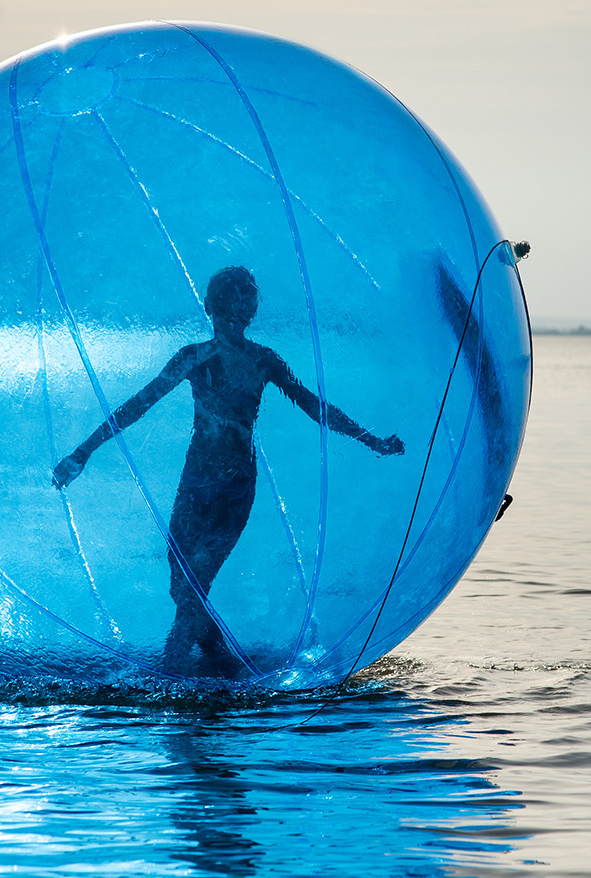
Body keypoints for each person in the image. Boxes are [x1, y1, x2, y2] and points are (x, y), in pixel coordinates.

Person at [53, 266, 404, 675]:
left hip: (234, 488)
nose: (238, 309)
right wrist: (83, 452)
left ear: (249, 310)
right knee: (180, 584)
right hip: (195, 482)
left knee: (195, 584)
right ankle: (222, 660)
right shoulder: (193, 358)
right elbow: (138, 404)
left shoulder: (263, 361)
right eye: (231, 299)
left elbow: (315, 406)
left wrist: (371, 439)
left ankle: (168, 681)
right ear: (215, 307)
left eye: (246, 298)